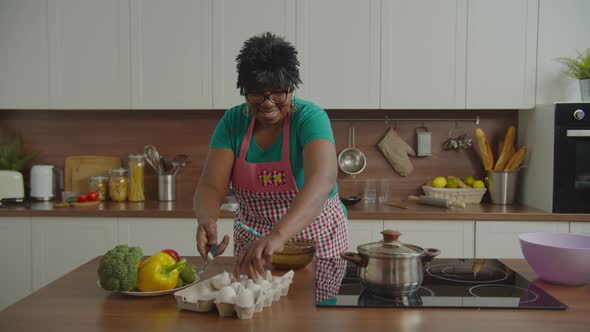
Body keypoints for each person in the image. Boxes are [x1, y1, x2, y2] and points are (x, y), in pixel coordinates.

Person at [193, 32, 348, 289]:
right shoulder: (233, 121)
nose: (267, 103)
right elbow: (211, 185)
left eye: (277, 92)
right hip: (253, 243)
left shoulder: (310, 118)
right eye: (256, 93)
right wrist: (206, 218)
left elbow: (321, 180)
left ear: (291, 87)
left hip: (315, 242)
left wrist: (278, 235)